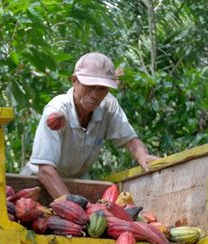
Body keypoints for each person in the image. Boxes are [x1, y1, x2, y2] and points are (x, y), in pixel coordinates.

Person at [21, 52, 160, 199]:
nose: (95, 95)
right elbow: (45, 170)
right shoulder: (56, 110)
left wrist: (143, 155)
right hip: (34, 187)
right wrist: (71, 206)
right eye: (90, 86)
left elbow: (130, 140)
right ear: (75, 81)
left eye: (102, 89)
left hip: (68, 187)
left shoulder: (108, 105)